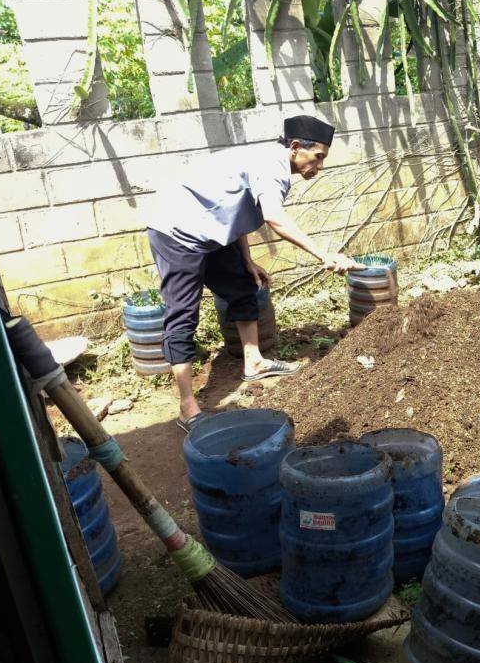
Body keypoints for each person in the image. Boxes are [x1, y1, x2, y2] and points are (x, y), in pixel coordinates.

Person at [145, 115, 363, 431]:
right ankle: (187, 407)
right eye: (318, 157)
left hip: (211, 226)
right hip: (177, 229)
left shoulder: (268, 161)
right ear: (297, 147)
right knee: (182, 313)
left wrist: (245, 259)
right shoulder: (272, 167)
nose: (319, 166)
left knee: (245, 282)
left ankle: (255, 361)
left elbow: (234, 210)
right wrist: (323, 255)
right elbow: (273, 216)